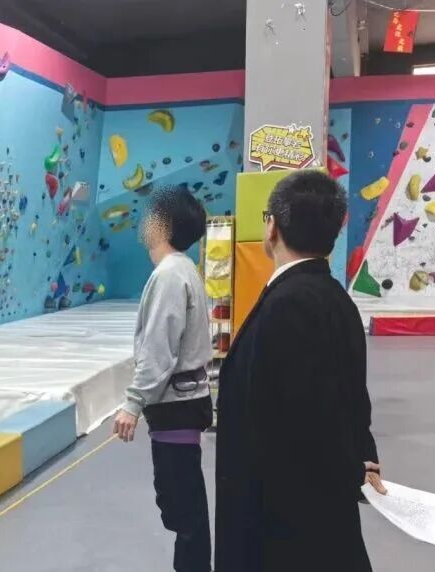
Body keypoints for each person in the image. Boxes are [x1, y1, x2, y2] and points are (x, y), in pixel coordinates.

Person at [214, 170, 386, 572]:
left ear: (272, 226)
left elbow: (302, 420)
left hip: (283, 530)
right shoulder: (335, 299)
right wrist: (360, 456)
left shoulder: (288, 305)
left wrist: (350, 466)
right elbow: (350, 399)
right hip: (319, 518)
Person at [113, 188, 213, 572]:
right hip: (182, 402)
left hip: (176, 405)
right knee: (180, 502)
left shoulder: (170, 274)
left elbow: (159, 347)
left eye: (151, 215)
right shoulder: (182, 269)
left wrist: (133, 403)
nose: (144, 223)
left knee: (182, 506)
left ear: (164, 225)